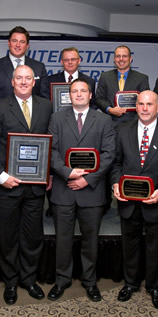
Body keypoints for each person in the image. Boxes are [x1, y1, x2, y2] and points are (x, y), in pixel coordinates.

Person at [0, 65, 53, 304]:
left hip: (35, 186)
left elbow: (51, 145)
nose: (23, 82)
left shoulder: (46, 106)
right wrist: (1, 176)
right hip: (7, 186)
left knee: (33, 236)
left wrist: (48, 172)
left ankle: (28, 279)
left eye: (28, 78)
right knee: (8, 236)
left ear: (34, 82)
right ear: (12, 82)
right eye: (19, 78)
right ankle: (10, 282)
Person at [111, 90, 158, 310]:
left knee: (156, 248)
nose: (144, 108)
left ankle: (154, 287)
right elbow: (115, 163)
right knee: (130, 245)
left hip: (157, 202)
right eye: (141, 104)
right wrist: (116, 184)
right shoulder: (122, 130)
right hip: (128, 202)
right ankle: (131, 283)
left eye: (149, 104)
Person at [46, 79, 116, 302]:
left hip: (91, 191)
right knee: (63, 239)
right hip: (63, 188)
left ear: (90, 95)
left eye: (83, 91)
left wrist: (88, 179)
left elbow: (108, 155)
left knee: (90, 240)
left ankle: (90, 281)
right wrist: (68, 173)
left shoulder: (104, 120)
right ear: (69, 95)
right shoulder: (57, 118)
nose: (78, 94)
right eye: (74, 91)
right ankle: (62, 280)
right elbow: (52, 151)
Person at [0, 26, 49, 114]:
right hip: (3, 122)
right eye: (14, 41)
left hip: (32, 122)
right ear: (9, 43)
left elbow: (44, 99)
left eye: (22, 42)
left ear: (27, 45)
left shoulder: (39, 67)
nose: (18, 45)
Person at [96, 45, 150, 126]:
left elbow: (145, 101)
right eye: (118, 56)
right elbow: (99, 99)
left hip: (133, 124)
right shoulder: (105, 76)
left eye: (124, 56)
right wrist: (110, 109)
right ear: (114, 59)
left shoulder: (141, 78)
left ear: (130, 59)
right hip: (110, 123)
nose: (121, 59)